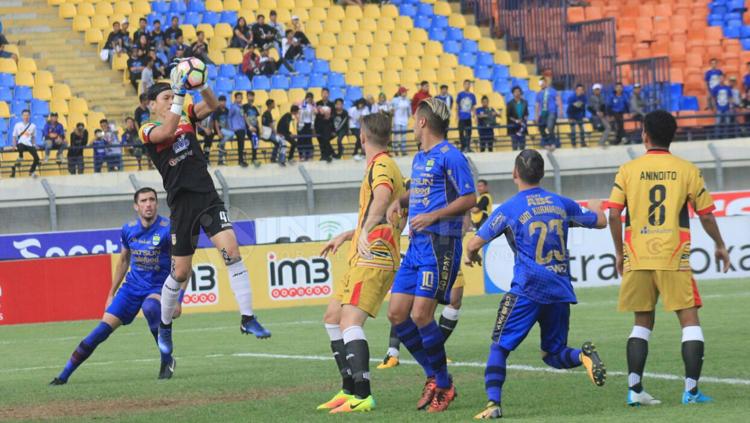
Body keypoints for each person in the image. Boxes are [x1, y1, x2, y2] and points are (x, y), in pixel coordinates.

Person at [467, 149, 608, 419]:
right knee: (552, 354)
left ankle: (493, 404)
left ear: (514, 173)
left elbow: (475, 243)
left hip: (528, 289)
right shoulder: (560, 203)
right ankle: (582, 356)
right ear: (542, 174)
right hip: (559, 288)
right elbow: (600, 221)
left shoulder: (509, 208)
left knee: (499, 346)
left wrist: (470, 255)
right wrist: (597, 206)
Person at [138, 75, 271, 357]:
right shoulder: (147, 128)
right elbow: (167, 133)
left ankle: (247, 318)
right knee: (181, 272)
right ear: (152, 105)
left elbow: (212, 104)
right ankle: (164, 326)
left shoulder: (186, 113)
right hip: (182, 204)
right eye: (165, 97)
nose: (171, 100)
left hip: (206, 196)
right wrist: (180, 95)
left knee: (232, 250)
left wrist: (200, 84)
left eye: (171, 97)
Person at [607, 110, 730, 407]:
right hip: (673, 255)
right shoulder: (687, 170)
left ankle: (635, 390)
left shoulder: (628, 169)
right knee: (689, 321)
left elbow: (613, 213)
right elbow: (706, 214)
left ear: (644, 135)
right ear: (672, 136)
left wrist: (620, 253)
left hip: (637, 254)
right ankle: (690, 391)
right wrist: (720, 244)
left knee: (641, 322)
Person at [385, 98, 476, 413]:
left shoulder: (452, 156)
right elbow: (423, 190)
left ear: (422, 122)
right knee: (396, 313)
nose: (411, 125)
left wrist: (434, 216)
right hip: (417, 245)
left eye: (413, 119)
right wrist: (401, 200)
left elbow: (469, 198)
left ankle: (444, 383)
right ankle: (435, 377)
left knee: (421, 315)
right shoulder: (420, 157)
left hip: (440, 244)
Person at [317, 112, 406, 414]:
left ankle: (363, 394)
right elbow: (387, 212)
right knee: (332, 317)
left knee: (350, 321)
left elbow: (381, 198)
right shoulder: (384, 164)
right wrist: (348, 234)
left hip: (375, 255)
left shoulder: (381, 166)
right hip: (363, 252)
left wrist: (366, 231)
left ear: (362, 136)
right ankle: (348, 389)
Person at [49, 188, 178, 385]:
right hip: (131, 289)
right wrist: (111, 293)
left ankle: (166, 359)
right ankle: (63, 376)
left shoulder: (168, 228)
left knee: (151, 308)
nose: (148, 204)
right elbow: (123, 261)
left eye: (152, 200)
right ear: (136, 206)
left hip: (158, 289)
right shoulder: (128, 229)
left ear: (157, 204)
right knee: (100, 332)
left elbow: (183, 265)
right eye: (143, 200)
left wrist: (178, 297)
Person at [11, 109, 39, 178]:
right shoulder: (17, 125)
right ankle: (20, 156)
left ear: (29, 116)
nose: (26, 117)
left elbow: (33, 137)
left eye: (27, 115)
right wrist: (14, 145)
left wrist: (34, 145)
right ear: (22, 116)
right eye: (24, 115)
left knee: (37, 158)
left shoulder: (33, 126)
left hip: (29, 144)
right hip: (21, 143)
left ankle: (31, 171)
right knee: (20, 147)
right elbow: (14, 136)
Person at [536, 76, 560, 151]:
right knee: (541, 127)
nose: (542, 84)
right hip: (543, 113)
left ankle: (553, 143)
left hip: (551, 112)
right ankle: (546, 143)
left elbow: (558, 100)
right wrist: (536, 115)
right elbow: (537, 105)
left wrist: (560, 111)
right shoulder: (539, 93)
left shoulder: (553, 91)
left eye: (543, 82)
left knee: (550, 127)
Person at [260, 99, 286, 165]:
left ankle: (273, 158)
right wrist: (276, 133)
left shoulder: (265, 113)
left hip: (266, 133)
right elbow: (270, 125)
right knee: (282, 141)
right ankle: (281, 159)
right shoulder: (268, 114)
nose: (274, 105)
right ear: (270, 105)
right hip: (269, 134)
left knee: (277, 144)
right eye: (273, 103)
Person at [229, 92, 250, 167]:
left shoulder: (242, 107)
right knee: (241, 145)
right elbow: (229, 117)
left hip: (242, 128)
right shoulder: (233, 107)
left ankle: (241, 160)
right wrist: (231, 128)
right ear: (235, 98)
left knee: (242, 145)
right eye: (238, 97)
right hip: (237, 128)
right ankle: (241, 161)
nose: (240, 99)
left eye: (241, 97)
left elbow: (244, 117)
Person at [315, 88, 336, 162]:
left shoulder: (331, 104)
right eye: (323, 93)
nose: (325, 95)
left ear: (329, 94)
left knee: (326, 139)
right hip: (319, 125)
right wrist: (323, 115)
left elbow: (334, 115)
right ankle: (324, 155)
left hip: (328, 125)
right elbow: (317, 115)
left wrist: (329, 117)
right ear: (321, 94)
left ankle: (328, 155)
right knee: (320, 140)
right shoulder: (318, 103)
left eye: (326, 93)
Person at [456, 80, 477, 152]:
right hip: (461, 117)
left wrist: (475, 115)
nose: (467, 86)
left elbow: (473, 106)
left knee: (469, 133)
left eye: (468, 84)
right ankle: (462, 147)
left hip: (468, 117)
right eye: (466, 84)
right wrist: (457, 115)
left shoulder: (472, 95)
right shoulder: (460, 94)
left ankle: (468, 147)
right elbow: (457, 105)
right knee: (461, 133)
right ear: (463, 85)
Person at [506, 86, 528, 151]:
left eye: (518, 91)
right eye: (515, 92)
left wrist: (523, 120)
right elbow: (508, 115)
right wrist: (516, 121)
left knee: (522, 146)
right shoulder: (510, 103)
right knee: (514, 145)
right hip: (513, 127)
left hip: (522, 127)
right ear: (513, 93)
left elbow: (526, 114)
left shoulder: (524, 102)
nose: (517, 93)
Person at [711, 75, 733, 139]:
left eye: (722, 78)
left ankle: (725, 136)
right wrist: (714, 107)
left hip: (727, 108)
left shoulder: (728, 88)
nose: (721, 79)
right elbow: (713, 98)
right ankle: (717, 136)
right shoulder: (716, 88)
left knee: (727, 122)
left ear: (724, 79)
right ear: (718, 79)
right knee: (717, 123)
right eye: (720, 78)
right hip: (718, 108)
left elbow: (730, 98)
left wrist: (731, 106)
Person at [212, 95, 232, 166]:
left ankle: (220, 161)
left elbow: (228, 121)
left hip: (225, 129)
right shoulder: (217, 110)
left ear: (225, 102)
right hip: (219, 129)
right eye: (221, 101)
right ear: (218, 102)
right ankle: (220, 160)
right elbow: (216, 122)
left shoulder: (227, 110)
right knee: (230, 135)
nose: (222, 103)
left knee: (223, 144)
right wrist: (218, 132)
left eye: (223, 101)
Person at [242, 91, 261, 166]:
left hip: (256, 127)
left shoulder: (254, 108)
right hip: (249, 128)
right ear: (247, 97)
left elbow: (256, 118)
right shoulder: (245, 106)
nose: (251, 98)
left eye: (252, 96)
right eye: (250, 96)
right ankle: (254, 159)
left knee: (256, 143)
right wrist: (250, 126)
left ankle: (254, 158)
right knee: (254, 139)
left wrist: (259, 127)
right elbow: (245, 116)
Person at [391, 87, 411, 156]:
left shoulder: (407, 100)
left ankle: (403, 150)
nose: (405, 93)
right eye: (404, 92)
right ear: (401, 93)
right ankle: (395, 149)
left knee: (403, 135)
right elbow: (391, 108)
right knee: (396, 135)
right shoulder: (395, 100)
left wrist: (409, 115)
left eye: (406, 92)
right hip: (397, 119)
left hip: (404, 119)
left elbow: (409, 110)